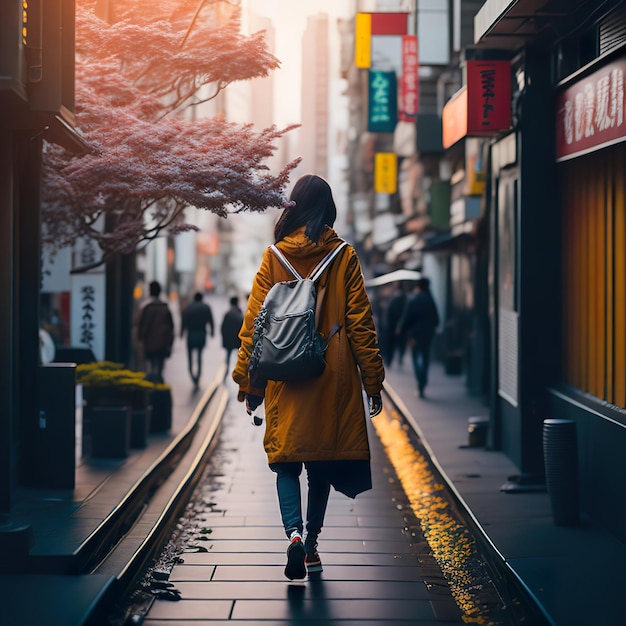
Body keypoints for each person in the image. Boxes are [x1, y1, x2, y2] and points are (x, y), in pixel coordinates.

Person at [232, 174, 385, 581]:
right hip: (331, 379)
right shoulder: (344, 256)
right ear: (328, 208)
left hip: (285, 377)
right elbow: (360, 325)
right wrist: (373, 382)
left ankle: (294, 536)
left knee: (286, 462)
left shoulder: (274, 257)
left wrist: (249, 385)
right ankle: (313, 546)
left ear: (292, 208)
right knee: (321, 464)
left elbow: (255, 326)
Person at [397, 277, 439, 398]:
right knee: (425, 357)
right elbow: (435, 317)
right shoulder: (430, 300)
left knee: (415, 357)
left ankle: (420, 380)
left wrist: (401, 328)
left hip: (414, 334)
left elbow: (407, 317)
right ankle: (423, 379)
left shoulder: (413, 300)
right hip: (427, 334)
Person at [137, 281, 174, 383]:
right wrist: (170, 344)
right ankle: (158, 386)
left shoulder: (147, 308)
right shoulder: (165, 308)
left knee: (150, 368)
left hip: (149, 344)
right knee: (159, 369)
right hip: (162, 344)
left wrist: (140, 341)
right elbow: (171, 328)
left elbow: (142, 327)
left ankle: (151, 391)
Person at [180, 291, 214, 390]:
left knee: (190, 356)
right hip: (201, 333)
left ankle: (192, 375)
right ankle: (198, 376)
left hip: (191, 333)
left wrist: (182, 332)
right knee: (199, 356)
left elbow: (184, 319)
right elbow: (210, 320)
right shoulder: (205, 307)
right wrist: (212, 331)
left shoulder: (189, 307)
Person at [384, 282, 408, 367]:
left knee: (392, 344)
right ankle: (397, 358)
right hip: (399, 325)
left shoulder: (395, 299)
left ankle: (390, 360)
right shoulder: (404, 299)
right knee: (400, 344)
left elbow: (391, 312)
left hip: (394, 325)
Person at [220, 295, 244, 374]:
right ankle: (239, 371)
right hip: (237, 339)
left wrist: (224, 338)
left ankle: (226, 371)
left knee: (228, 356)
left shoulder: (228, 314)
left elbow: (223, 327)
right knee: (240, 356)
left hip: (229, 339)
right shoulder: (240, 314)